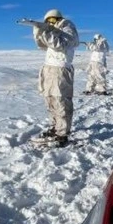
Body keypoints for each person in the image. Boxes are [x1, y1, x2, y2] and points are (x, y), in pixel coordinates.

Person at [32, 9, 80, 146]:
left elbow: (60, 44)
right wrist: (38, 32)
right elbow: (42, 46)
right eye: (47, 22)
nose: (50, 23)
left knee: (61, 100)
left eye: (52, 21)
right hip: (49, 68)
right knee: (50, 99)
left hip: (60, 69)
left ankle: (62, 133)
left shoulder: (67, 27)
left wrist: (46, 31)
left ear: (58, 19)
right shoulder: (54, 31)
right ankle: (56, 127)